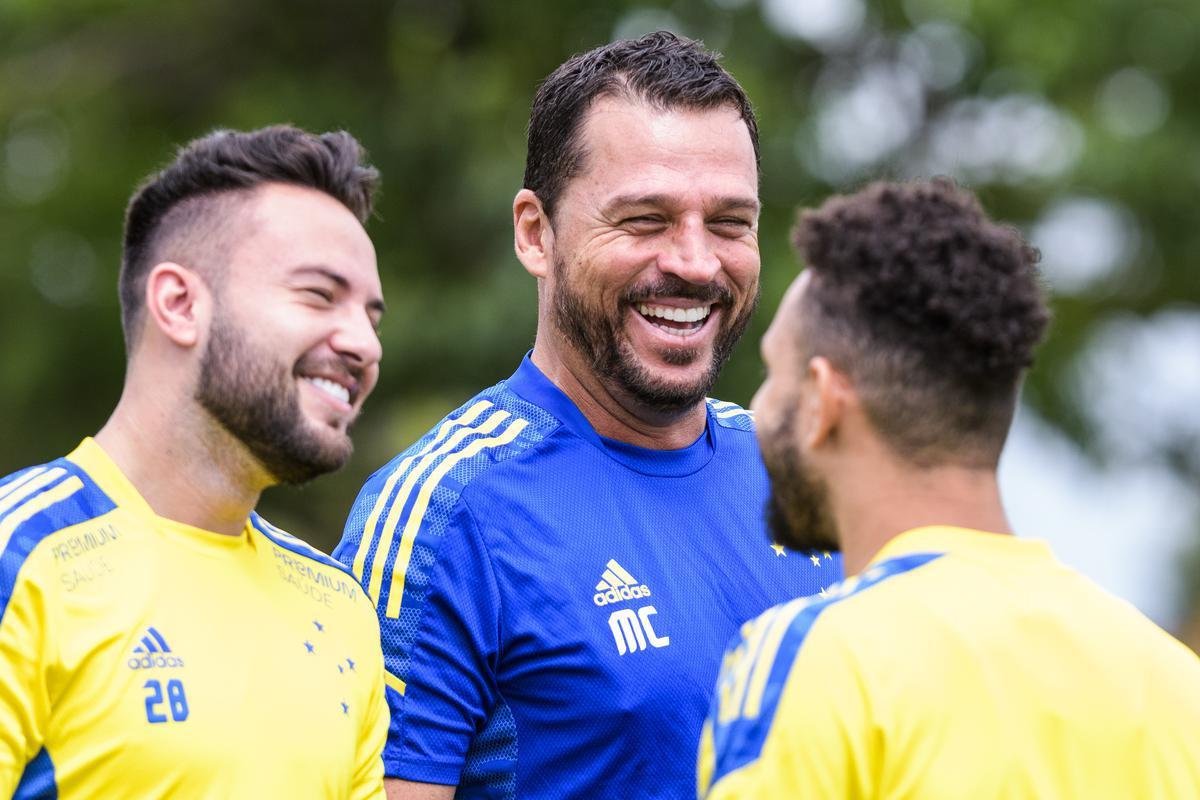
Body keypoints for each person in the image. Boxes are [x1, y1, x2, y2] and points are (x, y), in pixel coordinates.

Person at [334, 31, 841, 800]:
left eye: (731, 223)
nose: (696, 263)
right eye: (645, 220)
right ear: (536, 233)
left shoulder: (809, 472)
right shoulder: (447, 511)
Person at [697, 178, 1200, 798]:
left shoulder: (810, 660)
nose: (757, 402)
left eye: (774, 374)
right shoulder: (1174, 680)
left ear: (824, 400)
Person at [0, 125, 390, 798]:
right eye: (319, 296)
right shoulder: (21, 558)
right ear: (180, 304)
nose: (362, 344)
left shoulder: (341, 605)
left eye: (372, 316)